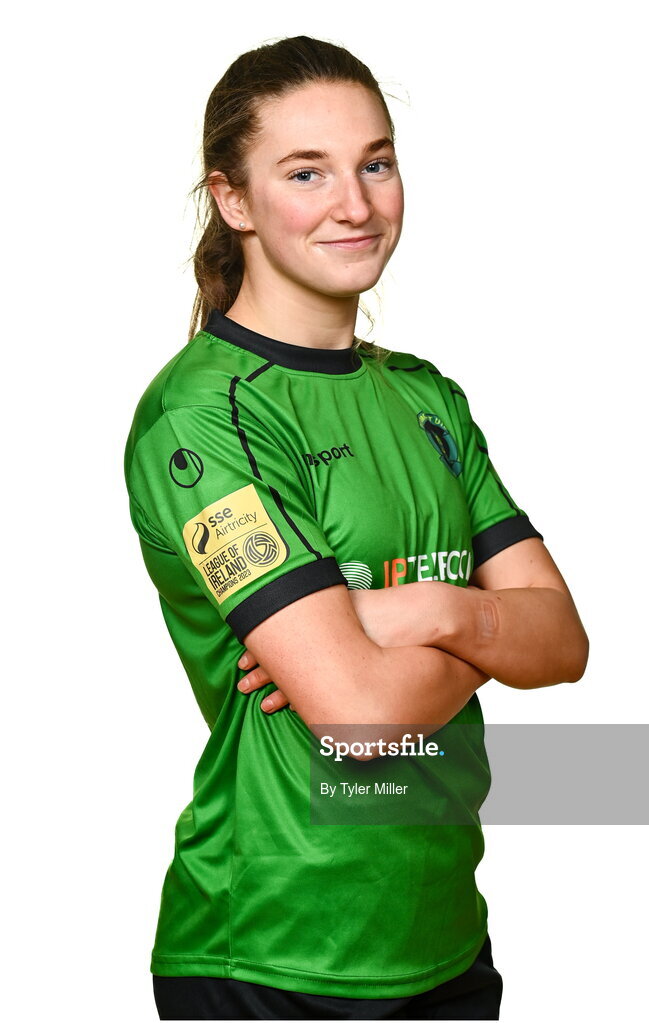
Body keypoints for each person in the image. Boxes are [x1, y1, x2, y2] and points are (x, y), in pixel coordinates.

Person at [124, 34, 589, 1021]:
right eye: (307, 173)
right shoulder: (204, 419)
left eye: (375, 163)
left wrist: (420, 612)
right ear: (234, 200)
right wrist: (484, 631)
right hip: (273, 957)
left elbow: (564, 643)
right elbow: (360, 718)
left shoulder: (427, 399)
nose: (356, 204)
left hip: (444, 938)